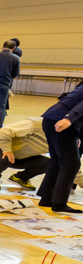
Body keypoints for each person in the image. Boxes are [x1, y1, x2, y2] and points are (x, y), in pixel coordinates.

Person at [36, 85, 83, 213]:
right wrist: (69, 119)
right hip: (63, 120)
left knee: (57, 160)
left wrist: (77, 135)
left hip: (51, 118)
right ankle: (59, 203)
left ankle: (47, 199)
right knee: (71, 164)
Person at [0, 117, 48, 191]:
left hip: (23, 158)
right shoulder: (35, 124)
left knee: (52, 164)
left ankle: (20, 178)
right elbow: (5, 130)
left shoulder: (61, 137)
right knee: (3, 159)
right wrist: (7, 150)